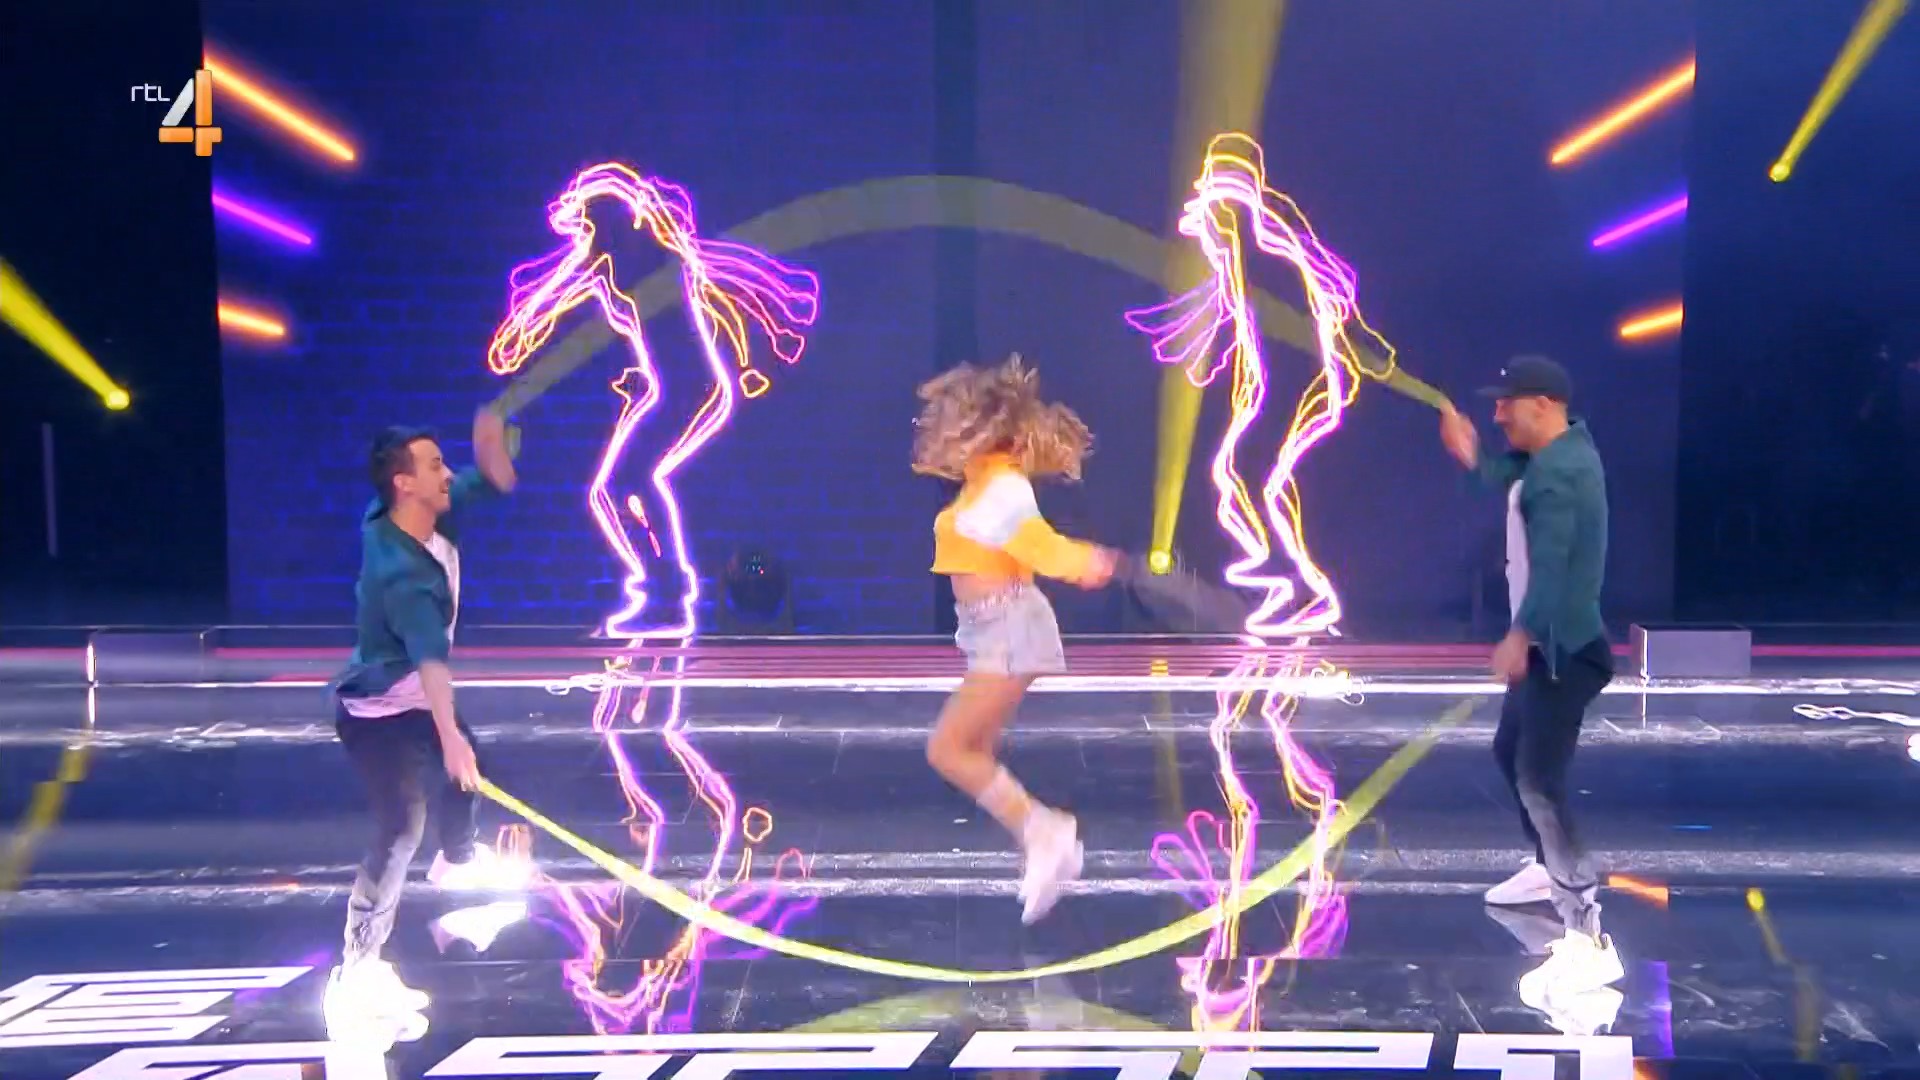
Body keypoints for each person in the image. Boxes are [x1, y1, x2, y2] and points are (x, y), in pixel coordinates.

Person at [325, 407, 529, 1018]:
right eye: (436, 466)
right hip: (378, 713)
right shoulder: (402, 573)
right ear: (403, 483)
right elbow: (431, 665)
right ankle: (357, 971)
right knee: (401, 830)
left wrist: (490, 443)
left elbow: (497, 479)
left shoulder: (425, 508)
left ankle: (459, 860)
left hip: (415, 694)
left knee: (469, 771)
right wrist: (449, 738)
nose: (449, 475)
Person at [1437, 355, 1622, 998]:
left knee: (1540, 783)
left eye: (1505, 402)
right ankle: (1548, 867)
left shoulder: (1560, 474)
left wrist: (1520, 635)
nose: (1495, 414)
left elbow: (1552, 569)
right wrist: (1469, 454)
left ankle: (1587, 937)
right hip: (1550, 645)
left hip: (1562, 651)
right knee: (1509, 751)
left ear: (1543, 404)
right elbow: (1496, 477)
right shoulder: (1552, 454)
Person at [914, 355, 1118, 923]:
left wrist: (1084, 563)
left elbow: (1040, 546)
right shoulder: (987, 479)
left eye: (947, 420)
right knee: (971, 751)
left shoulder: (1002, 484)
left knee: (948, 750)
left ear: (977, 426)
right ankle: (1044, 839)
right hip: (995, 631)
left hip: (1009, 629)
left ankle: (1045, 833)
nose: (936, 432)